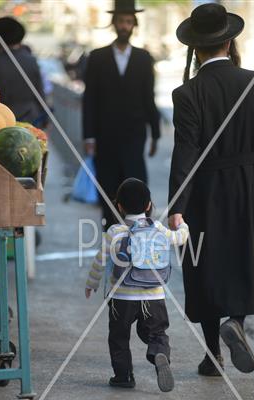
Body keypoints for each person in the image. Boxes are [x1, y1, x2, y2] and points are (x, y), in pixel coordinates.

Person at [168, 3, 254, 377]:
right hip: (250, 183)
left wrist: (177, 205)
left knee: (204, 266)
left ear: (195, 48)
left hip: (205, 189)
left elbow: (184, 152)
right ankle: (236, 320)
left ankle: (213, 355)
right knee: (245, 259)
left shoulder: (187, 93)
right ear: (230, 41)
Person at [85, 178, 189, 391]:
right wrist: (183, 225)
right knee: (157, 332)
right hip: (154, 296)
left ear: (119, 206)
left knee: (119, 338)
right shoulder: (158, 228)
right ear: (149, 205)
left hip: (121, 298)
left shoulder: (115, 232)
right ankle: (159, 352)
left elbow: (99, 260)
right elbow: (179, 238)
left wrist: (92, 283)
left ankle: (123, 376)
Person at [82, 0, 161, 229]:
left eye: (128, 22)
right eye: (120, 21)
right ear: (113, 24)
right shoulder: (97, 57)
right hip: (105, 136)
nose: (124, 26)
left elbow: (149, 98)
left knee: (136, 185)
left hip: (135, 135)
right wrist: (89, 136)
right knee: (107, 188)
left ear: (134, 25)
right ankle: (111, 235)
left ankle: (137, 234)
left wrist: (155, 134)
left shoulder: (144, 58)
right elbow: (90, 100)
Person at [0, 16, 47, 127]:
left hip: (1, 118)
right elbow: (39, 92)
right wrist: (46, 117)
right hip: (30, 117)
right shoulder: (31, 60)